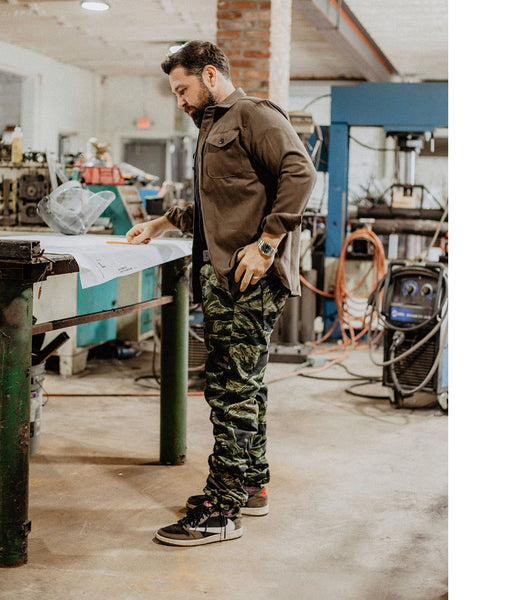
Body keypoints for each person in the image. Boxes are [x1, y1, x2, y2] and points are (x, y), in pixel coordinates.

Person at [125, 41, 316, 546]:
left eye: (182, 89)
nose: (180, 100)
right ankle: (250, 484)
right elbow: (220, 201)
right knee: (242, 386)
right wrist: (163, 221)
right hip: (223, 277)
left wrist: (269, 243)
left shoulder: (252, 115)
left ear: (210, 75)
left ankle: (222, 506)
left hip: (247, 280)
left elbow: (300, 172)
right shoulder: (210, 126)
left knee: (231, 390)